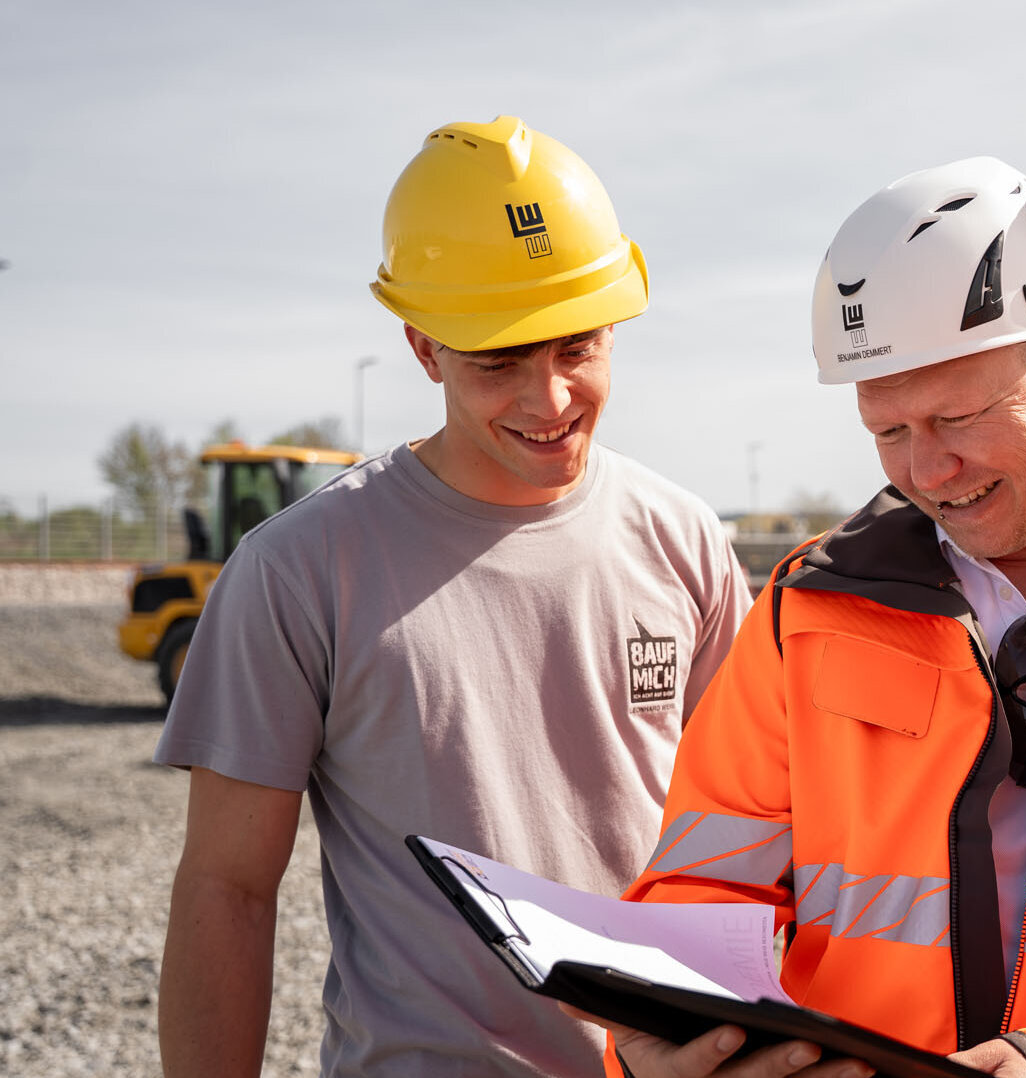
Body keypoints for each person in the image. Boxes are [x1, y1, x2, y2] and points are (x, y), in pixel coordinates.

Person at [589, 156, 1026, 1078]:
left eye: (960, 418)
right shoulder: (805, 611)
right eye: (888, 431)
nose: (926, 473)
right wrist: (648, 1049)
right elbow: (700, 887)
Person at [154, 116, 751, 1077]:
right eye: (498, 362)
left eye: (577, 349)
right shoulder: (301, 569)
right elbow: (227, 889)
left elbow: (761, 842)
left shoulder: (684, 542)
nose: (550, 400)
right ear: (423, 347)